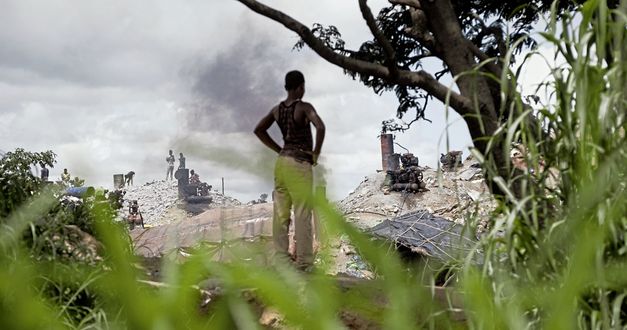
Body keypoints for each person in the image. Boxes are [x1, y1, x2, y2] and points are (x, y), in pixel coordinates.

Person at [254, 70, 325, 271]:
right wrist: (316, 154)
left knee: (281, 213)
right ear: (300, 87)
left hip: (282, 163)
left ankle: (282, 261)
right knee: (302, 212)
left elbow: (259, 129)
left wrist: (278, 149)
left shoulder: (277, 110)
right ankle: (304, 262)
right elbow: (320, 127)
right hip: (299, 162)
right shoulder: (304, 107)